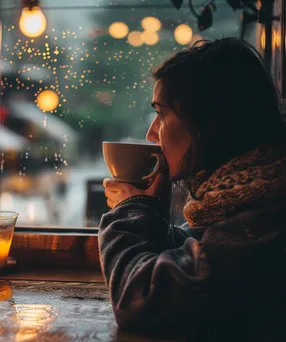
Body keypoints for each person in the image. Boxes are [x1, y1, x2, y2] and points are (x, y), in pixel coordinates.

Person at [99, 37, 286, 341]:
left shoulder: (265, 219)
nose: (151, 134)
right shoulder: (244, 197)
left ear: (209, 123)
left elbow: (139, 298)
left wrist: (129, 214)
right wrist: (149, 212)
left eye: (161, 114)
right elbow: (194, 253)